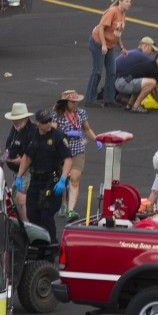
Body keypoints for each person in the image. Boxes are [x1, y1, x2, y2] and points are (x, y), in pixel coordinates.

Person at [14, 110, 72, 242]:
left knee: (46, 215)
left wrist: (63, 179)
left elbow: (68, 159)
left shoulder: (57, 135)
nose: (49, 124)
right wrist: (19, 176)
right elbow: (27, 157)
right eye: (45, 122)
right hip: (36, 180)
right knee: (32, 213)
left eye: (50, 121)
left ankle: (51, 244)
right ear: (38, 123)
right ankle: (38, 242)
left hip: (52, 181)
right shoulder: (33, 135)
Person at [52, 90, 101, 221]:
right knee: (63, 178)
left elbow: (86, 129)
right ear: (65, 102)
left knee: (74, 179)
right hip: (62, 151)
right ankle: (63, 203)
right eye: (72, 102)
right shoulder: (57, 115)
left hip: (78, 150)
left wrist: (96, 139)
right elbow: (53, 132)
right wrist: (67, 133)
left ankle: (70, 210)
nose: (75, 104)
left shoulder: (81, 113)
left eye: (76, 102)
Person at [86, 0, 132, 107]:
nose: (129, 4)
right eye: (126, 1)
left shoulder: (123, 15)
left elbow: (117, 33)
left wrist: (121, 47)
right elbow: (101, 28)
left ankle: (109, 99)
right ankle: (89, 100)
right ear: (120, 1)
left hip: (110, 45)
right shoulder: (112, 11)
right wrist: (103, 45)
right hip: (98, 43)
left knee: (112, 72)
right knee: (97, 71)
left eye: (130, 2)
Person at [2, 102, 36, 221]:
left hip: (28, 170)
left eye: (17, 119)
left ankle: (27, 225)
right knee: (16, 196)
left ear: (25, 118)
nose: (14, 121)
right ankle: (22, 222)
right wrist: (4, 158)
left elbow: (27, 158)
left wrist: (14, 160)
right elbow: (8, 147)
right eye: (13, 119)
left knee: (21, 198)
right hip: (17, 171)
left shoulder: (32, 131)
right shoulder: (15, 128)